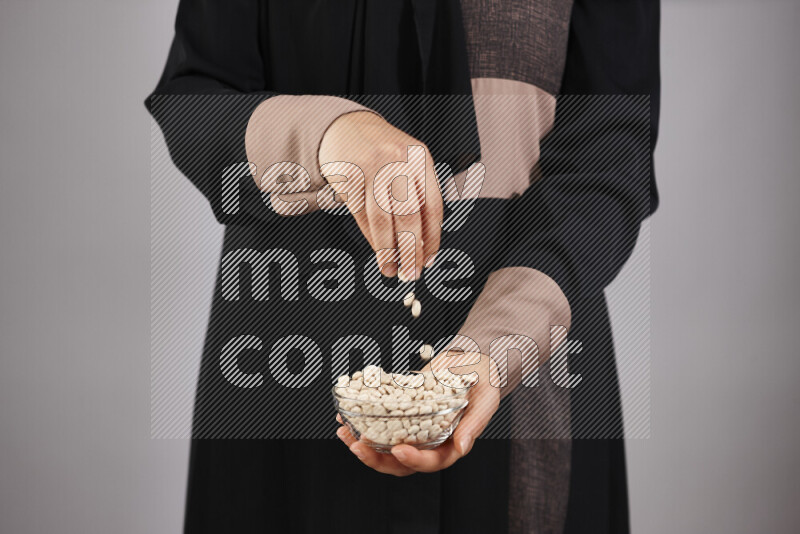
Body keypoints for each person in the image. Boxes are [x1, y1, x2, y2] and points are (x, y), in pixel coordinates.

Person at [147, 1, 660, 532]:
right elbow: (195, 96)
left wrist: (500, 342)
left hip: (526, 364)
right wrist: (328, 133)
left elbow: (612, 146)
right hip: (284, 369)